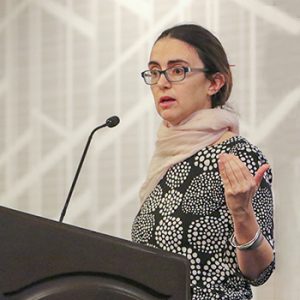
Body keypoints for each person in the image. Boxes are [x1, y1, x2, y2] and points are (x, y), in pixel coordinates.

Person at [131, 24, 275, 299]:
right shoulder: (167, 160)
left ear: (214, 82)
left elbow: (261, 271)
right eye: (154, 71)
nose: (162, 82)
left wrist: (242, 212)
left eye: (177, 70)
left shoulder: (238, 156)